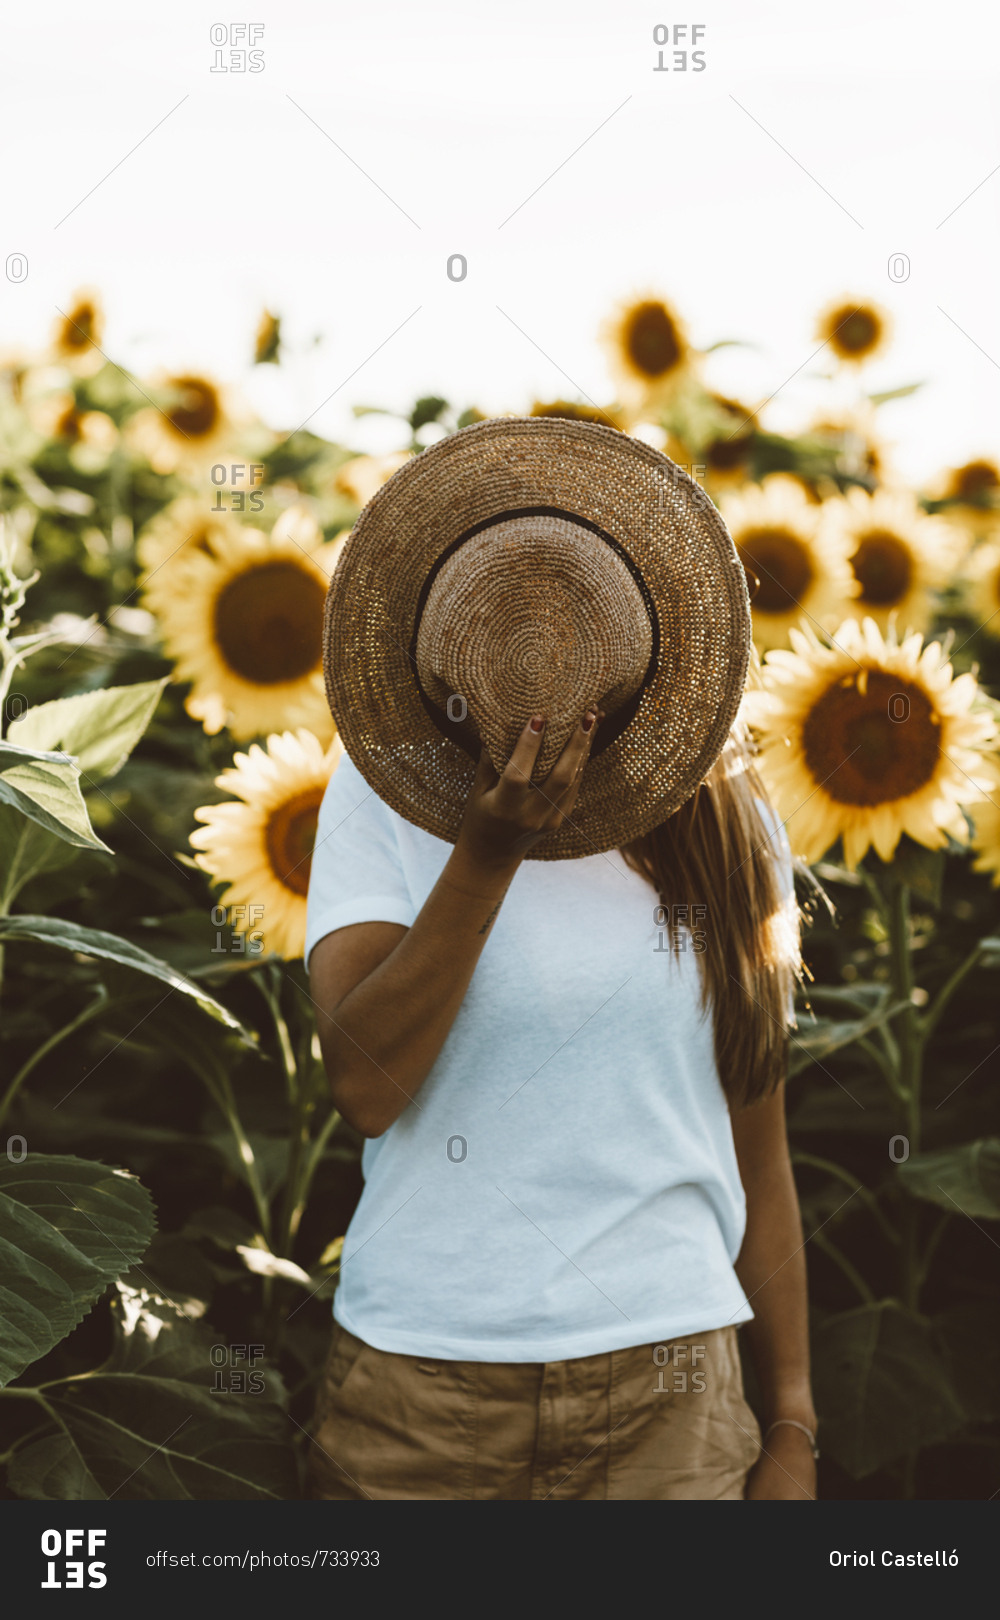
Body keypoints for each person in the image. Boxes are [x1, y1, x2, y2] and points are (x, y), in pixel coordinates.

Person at [303, 416, 818, 1501]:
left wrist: (793, 1424)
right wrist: (489, 852)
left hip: (672, 1393)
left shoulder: (728, 822)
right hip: (425, 1383)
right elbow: (363, 1084)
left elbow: (757, 1148)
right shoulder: (384, 791)